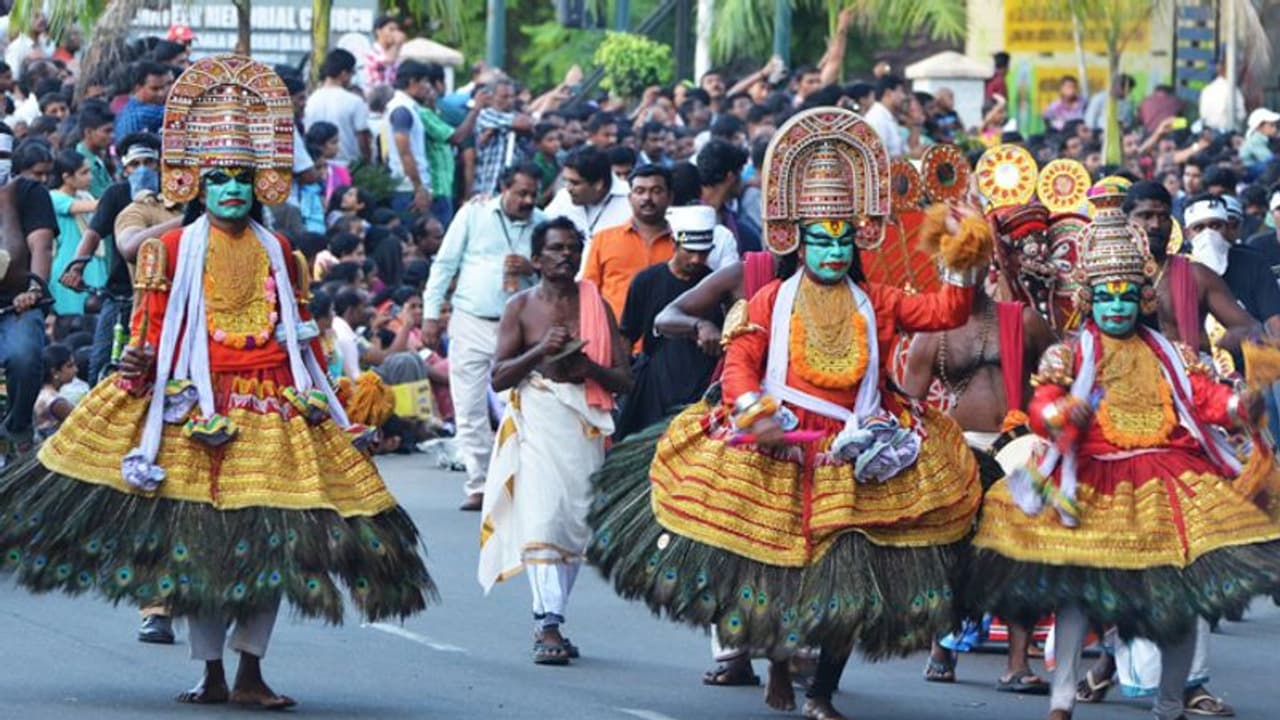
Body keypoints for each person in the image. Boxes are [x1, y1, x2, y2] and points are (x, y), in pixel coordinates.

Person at [0, 56, 434, 707]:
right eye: (218, 178)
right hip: (188, 407)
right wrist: (134, 368)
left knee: (270, 544)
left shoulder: (282, 254)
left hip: (273, 409)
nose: (231, 188)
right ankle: (208, 673)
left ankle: (251, 671)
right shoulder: (165, 250)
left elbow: (305, 340)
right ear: (195, 185)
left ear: (261, 183)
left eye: (242, 177)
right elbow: (145, 334)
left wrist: (332, 404)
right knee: (201, 550)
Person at [588, 108, 992, 720]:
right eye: (820, 239)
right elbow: (740, 367)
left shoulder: (877, 299)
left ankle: (823, 693)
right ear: (797, 241)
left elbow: (945, 312)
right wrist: (755, 417)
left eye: (842, 239)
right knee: (777, 574)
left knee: (846, 583)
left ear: (857, 242)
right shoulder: (770, 300)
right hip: (778, 446)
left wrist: (963, 251)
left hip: (854, 453)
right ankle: (775, 657)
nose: (833, 250)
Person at [970, 183, 1280, 720]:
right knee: (1077, 597)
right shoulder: (1070, 354)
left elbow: (1204, 398)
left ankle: (1169, 703)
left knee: (1182, 602)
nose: (1116, 306)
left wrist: (1240, 403)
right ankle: (1062, 698)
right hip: (1090, 481)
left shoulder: (1171, 355)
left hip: (1167, 482)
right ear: (1092, 298)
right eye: (1106, 295)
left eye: (1126, 295)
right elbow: (1042, 406)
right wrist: (1063, 415)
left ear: (1142, 298)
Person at [905, 204, 1056, 692]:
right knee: (955, 553)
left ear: (986, 264)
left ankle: (1017, 664)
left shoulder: (1022, 320)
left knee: (1022, 556)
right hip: (961, 451)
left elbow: (1061, 369)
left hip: (1019, 450)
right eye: (954, 263)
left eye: (972, 262)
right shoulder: (932, 330)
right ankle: (942, 646)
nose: (964, 275)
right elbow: (910, 403)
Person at [478, 216, 632, 665]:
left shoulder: (595, 304)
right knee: (543, 518)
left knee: (574, 523)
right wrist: (540, 350)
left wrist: (589, 369)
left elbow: (623, 379)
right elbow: (500, 377)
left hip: (583, 427)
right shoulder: (520, 307)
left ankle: (554, 615)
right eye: (556, 249)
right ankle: (547, 623)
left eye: (572, 248)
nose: (565, 256)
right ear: (538, 258)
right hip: (538, 422)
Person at [422, 163, 544, 511]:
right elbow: (445, 264)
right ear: (503, 188)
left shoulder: (543, 222)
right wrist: (431, 315)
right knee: (469, 403)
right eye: (521, 193)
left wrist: (532, 269)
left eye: (533, 194)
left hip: (522, 323)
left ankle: (521, 479)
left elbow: (562, 269)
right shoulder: (473, 214)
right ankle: (479, 485)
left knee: (526, 402)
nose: (527, 200)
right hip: (472, 319)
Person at [613, 205, 719, 440]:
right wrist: (623, 381)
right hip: (654, 385)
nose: (696, 259)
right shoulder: (647, 281)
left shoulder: (714, 284)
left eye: (703, 253)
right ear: (674, 243)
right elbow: (627, 335)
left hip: (699, 388)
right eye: (690, 251)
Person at [0, 121, 57, 457]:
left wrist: (35, 288)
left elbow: (40, 246)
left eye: (3, 155)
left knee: (24, 356)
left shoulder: (29, 193)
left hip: (17, 303)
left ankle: (18, 425)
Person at [581, 164, 676, 318]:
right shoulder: (603, 239)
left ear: (670, 197)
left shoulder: (681, 244)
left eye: (656, 191)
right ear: (630, 198)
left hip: (668, 338)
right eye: (640, 191)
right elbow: (588, 294)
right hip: (615, 337)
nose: (647, 198)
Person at [1185, 194, 1280, 328]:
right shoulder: (1180, 269)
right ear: (1188, 234)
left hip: (1252, 344)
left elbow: (1273, 319)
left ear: (1227, 227)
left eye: (1215, 226)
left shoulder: (1253, 263)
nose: (1208, 235)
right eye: (1199, 228)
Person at [48, 149, 101, 317]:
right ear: (66, 177)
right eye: (84, 173)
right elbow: (93, 207)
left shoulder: (84, 196)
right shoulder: (54, 197)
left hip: (89, 264)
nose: (90, 177)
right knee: (71, 320)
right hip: (67, 266)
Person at [544, 146, 631, 243]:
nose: (568, 188)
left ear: (598, 184)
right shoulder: (563, 198)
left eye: (575, 183)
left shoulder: (630, 201)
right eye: (566, 180)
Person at [303, 49, 371, 165]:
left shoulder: (310, 100)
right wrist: (367, 162)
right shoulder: (355, 101)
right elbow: (362, 138)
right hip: (349, 166)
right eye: (352, 73)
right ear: (344, 74)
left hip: (318, 165)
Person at [381, 60, 431, 214]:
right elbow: (405, 152)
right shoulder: (402, 109)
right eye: (424, 81)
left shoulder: (407, 107)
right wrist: (418, 187)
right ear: (412, 82)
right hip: (407, 187)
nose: (427, 87)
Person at [472, 78, 533, 197]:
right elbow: (520, 123)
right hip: (487, 183)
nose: (509, 101)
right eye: (504, 97)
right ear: (492, 97)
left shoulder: (517, 115)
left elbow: (528, 124)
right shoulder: (485, 115)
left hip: (512, 183)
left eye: (512, 96)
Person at [114, 60, 171, 138]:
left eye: (163, 87)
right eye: (155, 89)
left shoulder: (129, 108)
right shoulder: (139, 114)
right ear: (137, 88)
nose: (161, 93)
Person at [34, 343, 77, 441]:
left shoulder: (41, 392)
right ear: (55, 372)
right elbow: (82, 422)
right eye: (69, 366)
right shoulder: (57, 402)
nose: (75, 370)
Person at [75, 102, 115, 198]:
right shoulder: (83, 163)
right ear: (88, 132)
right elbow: (103, 198)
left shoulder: (97, 155)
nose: (112, 136)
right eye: (107, 131)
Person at [864, 75, 906, 158]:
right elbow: (878, 157)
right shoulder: (877, 118)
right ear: (888, 93)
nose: (903, 97)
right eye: (900, 91)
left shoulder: (886, 116)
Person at [364, 14, 404, 92]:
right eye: (391, 30)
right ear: (378, 31)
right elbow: (388, 60)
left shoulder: (396, 52)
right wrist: (397, 44)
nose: (395, 33)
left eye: (397, 30)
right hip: (375, 98)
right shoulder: (371, 53)